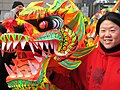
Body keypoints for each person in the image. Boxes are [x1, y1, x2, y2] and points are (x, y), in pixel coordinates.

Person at [46, 12, 120, 90]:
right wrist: (53, 76)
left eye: (112, 30)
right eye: (103, 31)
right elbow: (76, 86)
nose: (107, 35)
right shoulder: (88, 57)